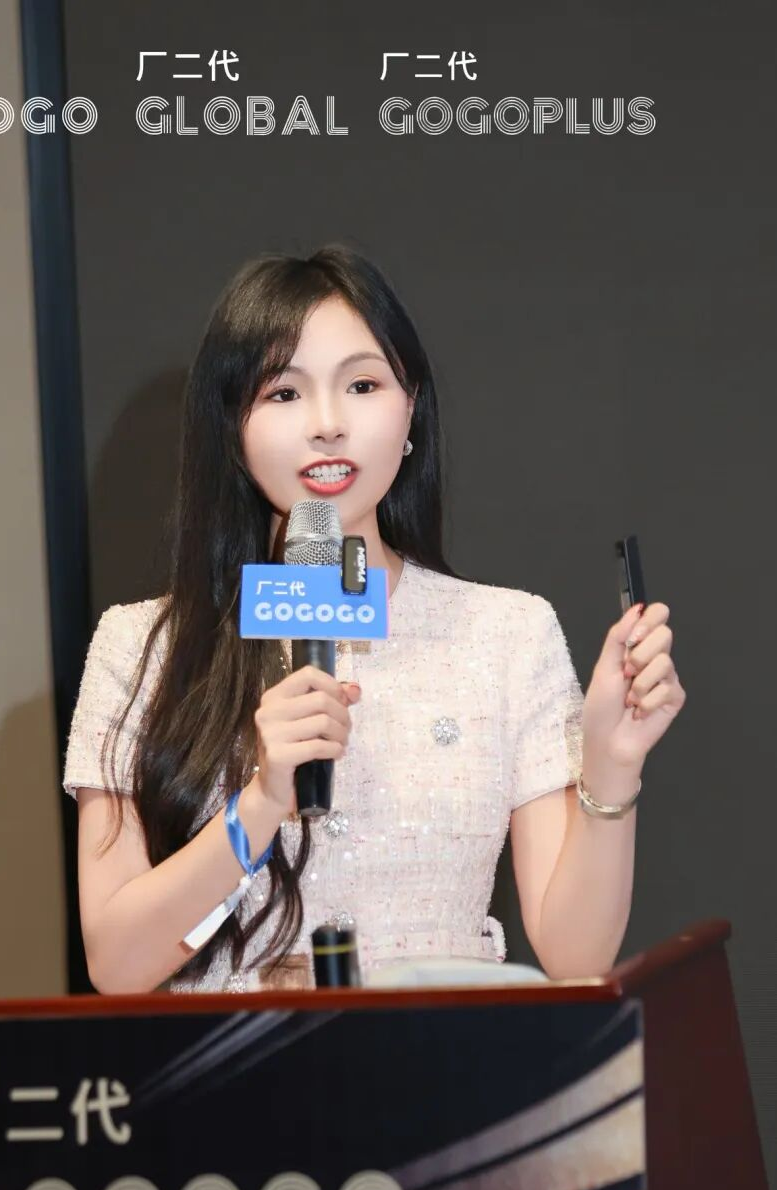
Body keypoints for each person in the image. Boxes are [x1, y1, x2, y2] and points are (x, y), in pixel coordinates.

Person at [63, 245, 686, 994]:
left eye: (362, 385)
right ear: (232, 426)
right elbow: (118, 966)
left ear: (410, 406)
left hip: (443, 1058)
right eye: (283, 393)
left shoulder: (506, 634)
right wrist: (260, 802)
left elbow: (574, 958)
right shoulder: (141, 648)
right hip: (235, 1063)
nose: (328, 425)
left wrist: (611, 764)